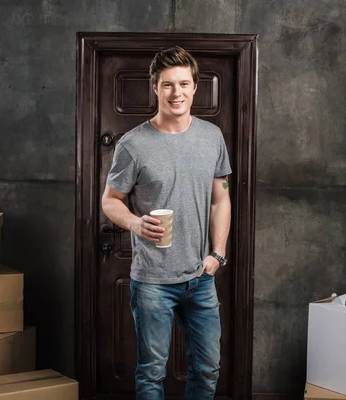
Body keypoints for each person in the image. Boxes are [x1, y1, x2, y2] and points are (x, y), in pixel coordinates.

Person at [101, 46, 232, 400]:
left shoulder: (211, 137)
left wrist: (217, 255)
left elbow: (221, 199)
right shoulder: (133, 145)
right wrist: (135, 224)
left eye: (184, 84)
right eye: (168, 85)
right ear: (155, 87)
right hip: (152, 282)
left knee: (207, 372)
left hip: (200, 279)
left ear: (194, 88)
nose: (177, 93)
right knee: (151, 375)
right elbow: (110, 201)